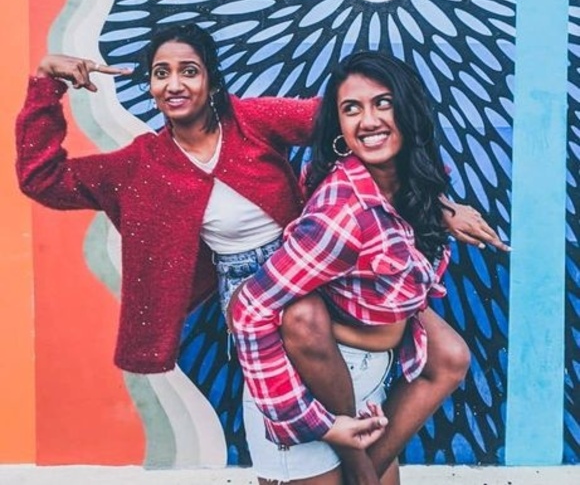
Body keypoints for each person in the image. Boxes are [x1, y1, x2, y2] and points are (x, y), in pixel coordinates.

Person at [16, 23, 507, 479]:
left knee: (445, 353)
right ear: (148, 86)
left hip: (320, 259)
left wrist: (439, 205)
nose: (175, 84)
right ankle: (347, 459)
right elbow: (44, 179)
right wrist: (46, 83)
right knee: (297, 411)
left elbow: (351, 119)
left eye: (189, 71)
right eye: (161, 73)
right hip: (253, 289)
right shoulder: (143, 163)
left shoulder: (248, 121)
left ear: (212, 80)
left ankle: (357, 460)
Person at [230, 50, 477, 484]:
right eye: (351, 109)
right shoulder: (341, 214)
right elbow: (248, 309)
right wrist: (314, 422)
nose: (369, 120)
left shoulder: (410, 185)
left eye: (383, 103)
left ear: (408, 109)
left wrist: (441, 208)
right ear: (340, 128)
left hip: (364, 389)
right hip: (306, 395)